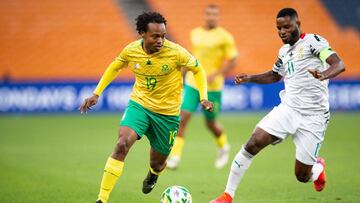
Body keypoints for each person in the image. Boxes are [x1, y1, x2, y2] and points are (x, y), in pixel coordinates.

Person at [210, 8, 345, 203]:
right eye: (278, 28)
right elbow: (275, 75)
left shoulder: (313, 42)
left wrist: (324, 74)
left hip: (314, 117)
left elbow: (338, 64)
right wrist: (250, 78)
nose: (282, 31)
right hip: (288, 109)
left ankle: (317, 169)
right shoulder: (284, 51)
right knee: (253, 143)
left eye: (286, 27)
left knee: (302, 175)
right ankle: (227, 195)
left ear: (298, 24)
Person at [79, 11, 213, 203]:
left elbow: (198, 69)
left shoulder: (176, 52)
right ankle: (102, 198)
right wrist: (96, 93)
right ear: (142, 33)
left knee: (158, 163)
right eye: (155, 36)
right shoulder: (131, 51)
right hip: (139, 106)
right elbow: (115, 66)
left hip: (167, 115)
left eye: (163, 36)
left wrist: (203, 97)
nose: (161, 40)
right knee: (121, 144)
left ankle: (153, 174)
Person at [167, 4, 238, 170]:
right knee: (182, 118)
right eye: (208, 14)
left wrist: (217, 74)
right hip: (193, 83)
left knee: (210, 124)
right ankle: (175, 157)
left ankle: (223, 146)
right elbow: (193, 57)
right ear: (205, 15)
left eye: (214, 14)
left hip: (213, 87)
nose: (211, 17)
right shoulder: (195, 33)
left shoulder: (225, 37)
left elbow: (233, 61)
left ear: (218, 16)